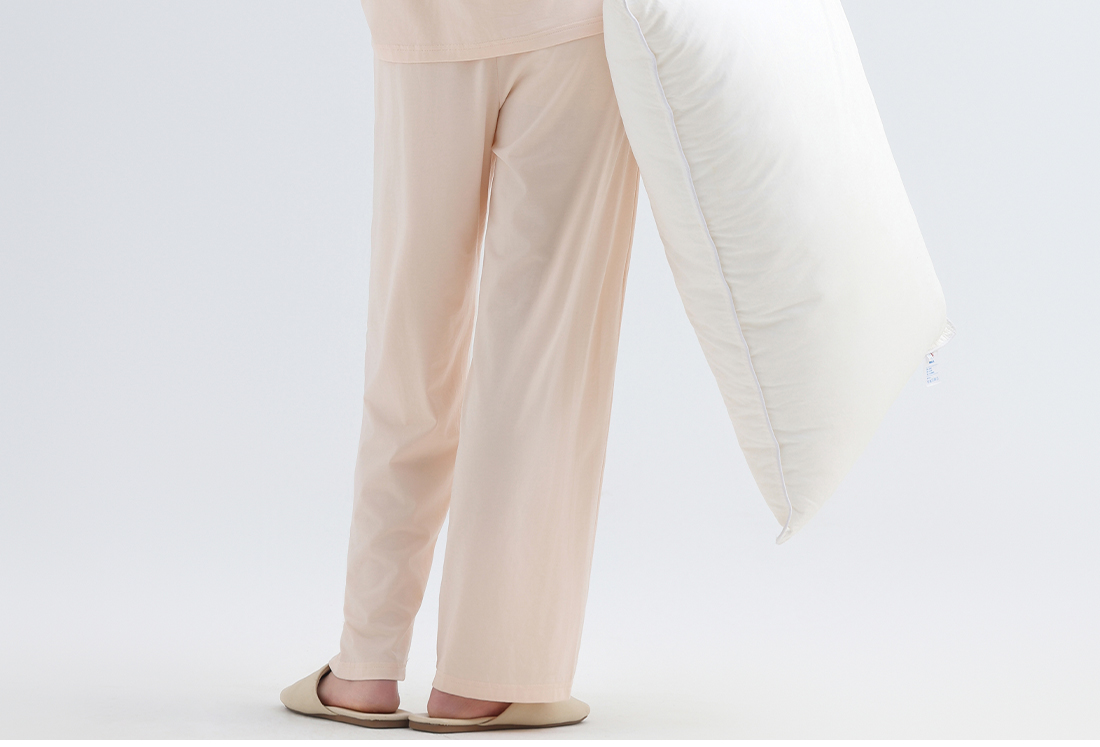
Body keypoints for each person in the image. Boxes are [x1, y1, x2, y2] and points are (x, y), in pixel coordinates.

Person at [280, 0, 639, 733]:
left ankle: (364, 665)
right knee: (540, 356)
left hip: (423, 25)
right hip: (574, 28)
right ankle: (486, 678)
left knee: (409, 341)